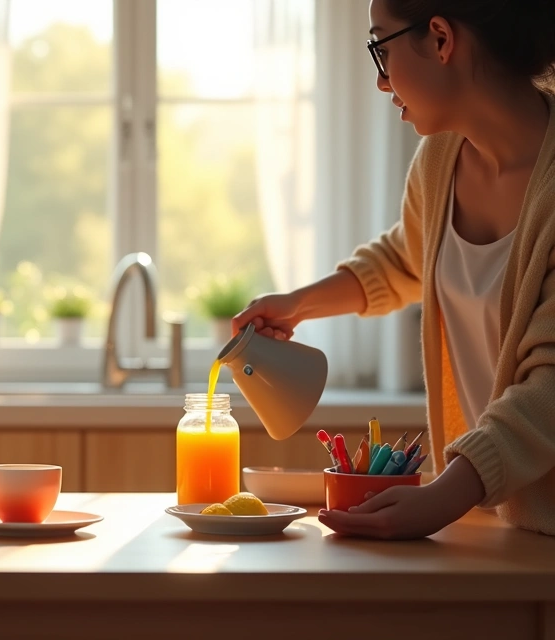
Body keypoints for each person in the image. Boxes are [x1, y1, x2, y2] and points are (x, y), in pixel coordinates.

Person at [234, 0, 555, 539]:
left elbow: (549, 389)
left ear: (440, 39)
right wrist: (299, 305)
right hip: (507, 525)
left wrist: (442, 496)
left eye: (381, 47)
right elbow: (407, 258)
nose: (382, 83)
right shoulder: (440, 160)